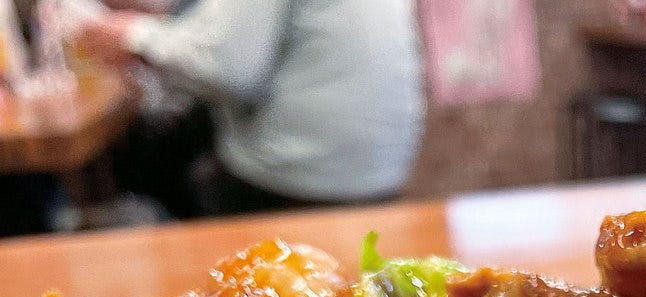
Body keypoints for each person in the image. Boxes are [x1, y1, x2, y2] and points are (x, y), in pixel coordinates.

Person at [79, 0, 424, 215]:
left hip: (299, 178)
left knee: (147, 156)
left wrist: (136, 37)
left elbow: (228, 70)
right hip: (383, 169)